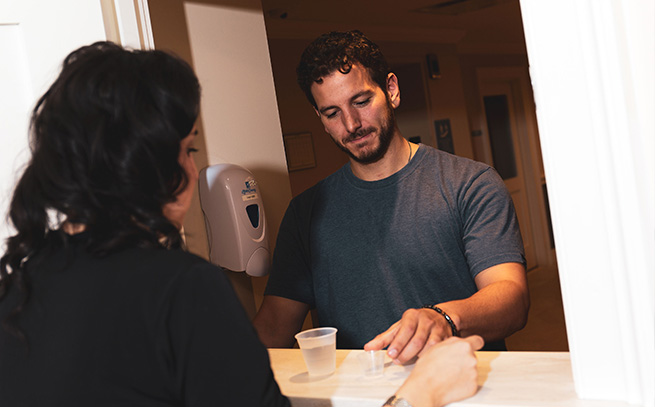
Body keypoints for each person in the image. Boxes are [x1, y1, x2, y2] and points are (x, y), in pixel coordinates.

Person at [0, 41, 483, 407]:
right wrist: (422, 394)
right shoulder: (182, 288)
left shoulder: (19, 285)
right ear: (147, 163)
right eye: (189, 149)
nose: (193, 168)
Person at [254, 30, 530, 363]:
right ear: (321, 120)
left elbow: (511, 300)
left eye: (361, 101)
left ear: (392, 91)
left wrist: (443, 318)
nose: (352, 124)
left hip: (458, 387)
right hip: (358, 395)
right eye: (332, 113)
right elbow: (273, 327)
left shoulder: (469, 185)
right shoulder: (305, 212)